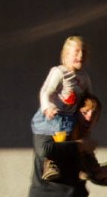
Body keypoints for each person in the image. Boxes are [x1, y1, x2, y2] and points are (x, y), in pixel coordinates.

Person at [30, 35, 92, 181]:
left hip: (70, 118)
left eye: (83, 52)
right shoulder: (59, 72)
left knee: (77, 141)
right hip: (54, 116)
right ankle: (49, 164)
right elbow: (46, 91)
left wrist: (90, 110)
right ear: (66, 55)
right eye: (76, 52)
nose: (80, 56)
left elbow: (89, 97)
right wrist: (47, 108)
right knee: (53, 144)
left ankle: (82, 165)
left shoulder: (84, 77)